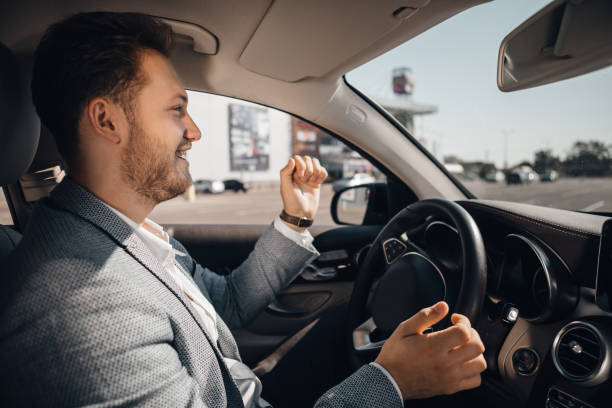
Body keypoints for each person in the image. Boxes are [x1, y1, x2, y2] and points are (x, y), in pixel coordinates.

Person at [0, 12, 486, 407]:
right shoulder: (85, 315)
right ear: (106, 119)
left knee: (344, 328)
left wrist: (295, 219)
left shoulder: (118, 230)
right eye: (176, 110)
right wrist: (393, 385)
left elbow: (224, 306)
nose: (194, 132)